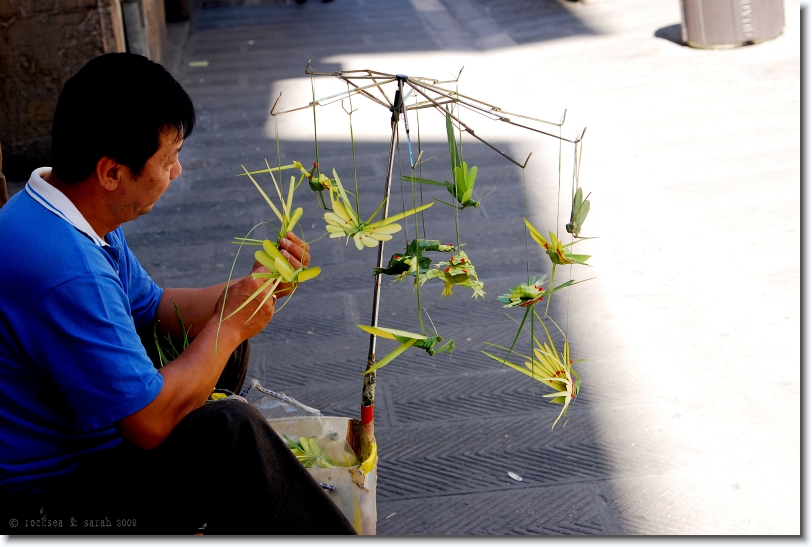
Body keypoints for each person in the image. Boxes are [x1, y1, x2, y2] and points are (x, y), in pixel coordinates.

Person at [0, 53, 356, 535]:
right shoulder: (67, 267)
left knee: (219, 362)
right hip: (46, 503)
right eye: (167, 159)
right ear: (111, 172)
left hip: (82, 455)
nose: (177, 171)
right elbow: (148, 424)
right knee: (229, 432)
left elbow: (153, 309)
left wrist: (247, 291)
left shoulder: (60, 207)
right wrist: (228, 326)